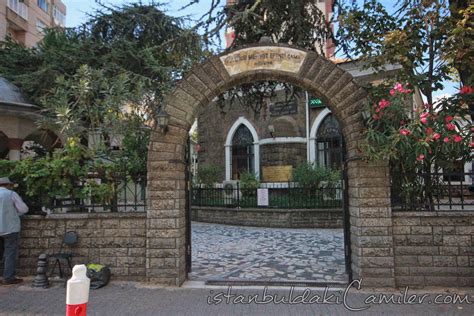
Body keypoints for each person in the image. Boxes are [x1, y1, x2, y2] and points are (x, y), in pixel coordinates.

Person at [0, 177, 28, 285]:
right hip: (10, 228)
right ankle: (8, 277)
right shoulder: (11, 194)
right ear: (8, 185)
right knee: (9, 253)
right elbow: (24, 209)